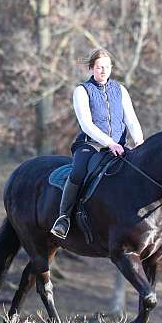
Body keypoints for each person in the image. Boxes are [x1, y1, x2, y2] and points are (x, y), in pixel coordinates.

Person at [51, 48, 144, 239]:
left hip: (119, 146)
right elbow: (86, 124)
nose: (103, 70)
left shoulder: (120, 90)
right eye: (99, 67)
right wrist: (109, 142)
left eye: (107, 67)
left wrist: (140, 142)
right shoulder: (82, 91)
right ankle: (63, 218)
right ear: (92, 68)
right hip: (90, 145)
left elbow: (131, 120)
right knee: (78, 172)